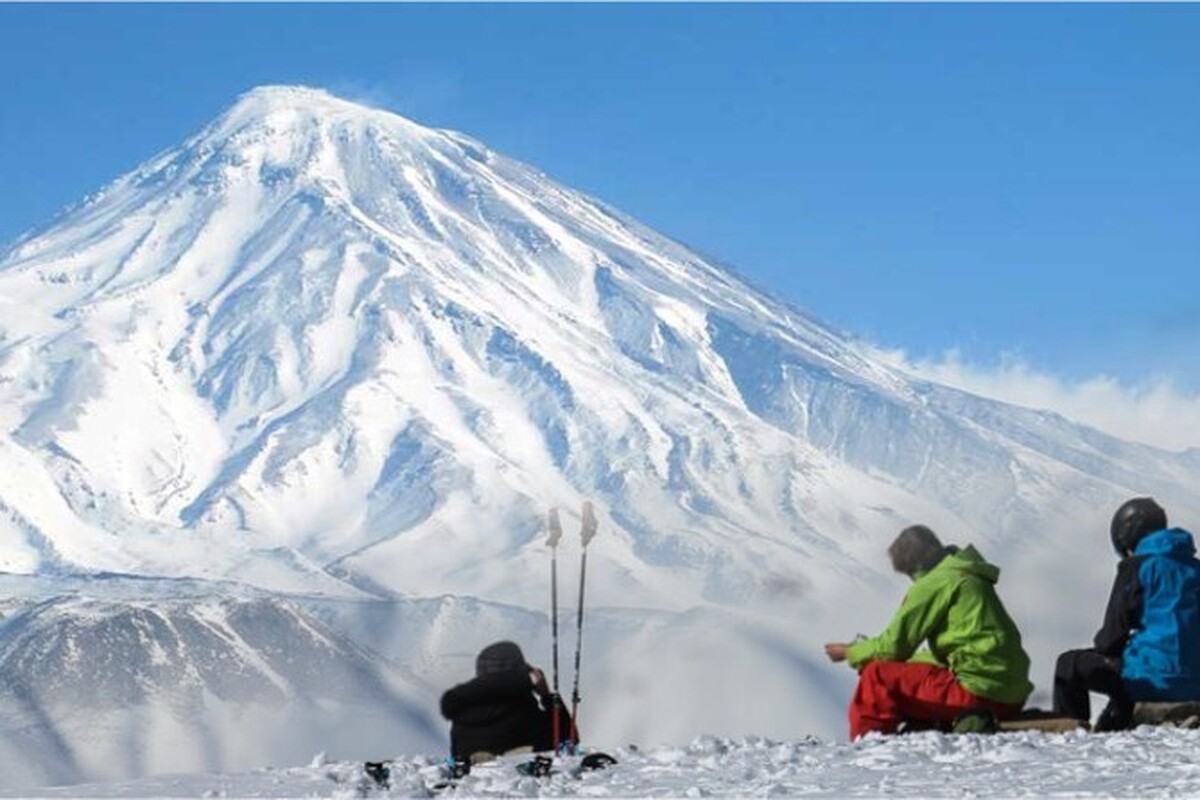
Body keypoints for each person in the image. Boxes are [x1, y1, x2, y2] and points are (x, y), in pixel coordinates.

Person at [824, 524, 1033, 739]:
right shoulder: (965, 573)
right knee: (904, 669)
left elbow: (894, 647)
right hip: (1010, 696)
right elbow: (955, 649)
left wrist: (851, 652)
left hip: (977, 693)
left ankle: (866, 751)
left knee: (876, 675)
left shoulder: (935, 583)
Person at [1052, 497, 1200, 731]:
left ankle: (1071, 735)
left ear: (1128, 536)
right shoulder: (1195, 568)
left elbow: (1111, 637)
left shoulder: (1136, 566)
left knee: (1069, 664)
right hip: (1196, 683)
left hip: (1152, 681)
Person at [440, 640, 572, 764]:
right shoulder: (524, 709)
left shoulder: (461, 710)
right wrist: (546, 696)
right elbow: (567, 740)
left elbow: (456, 753)